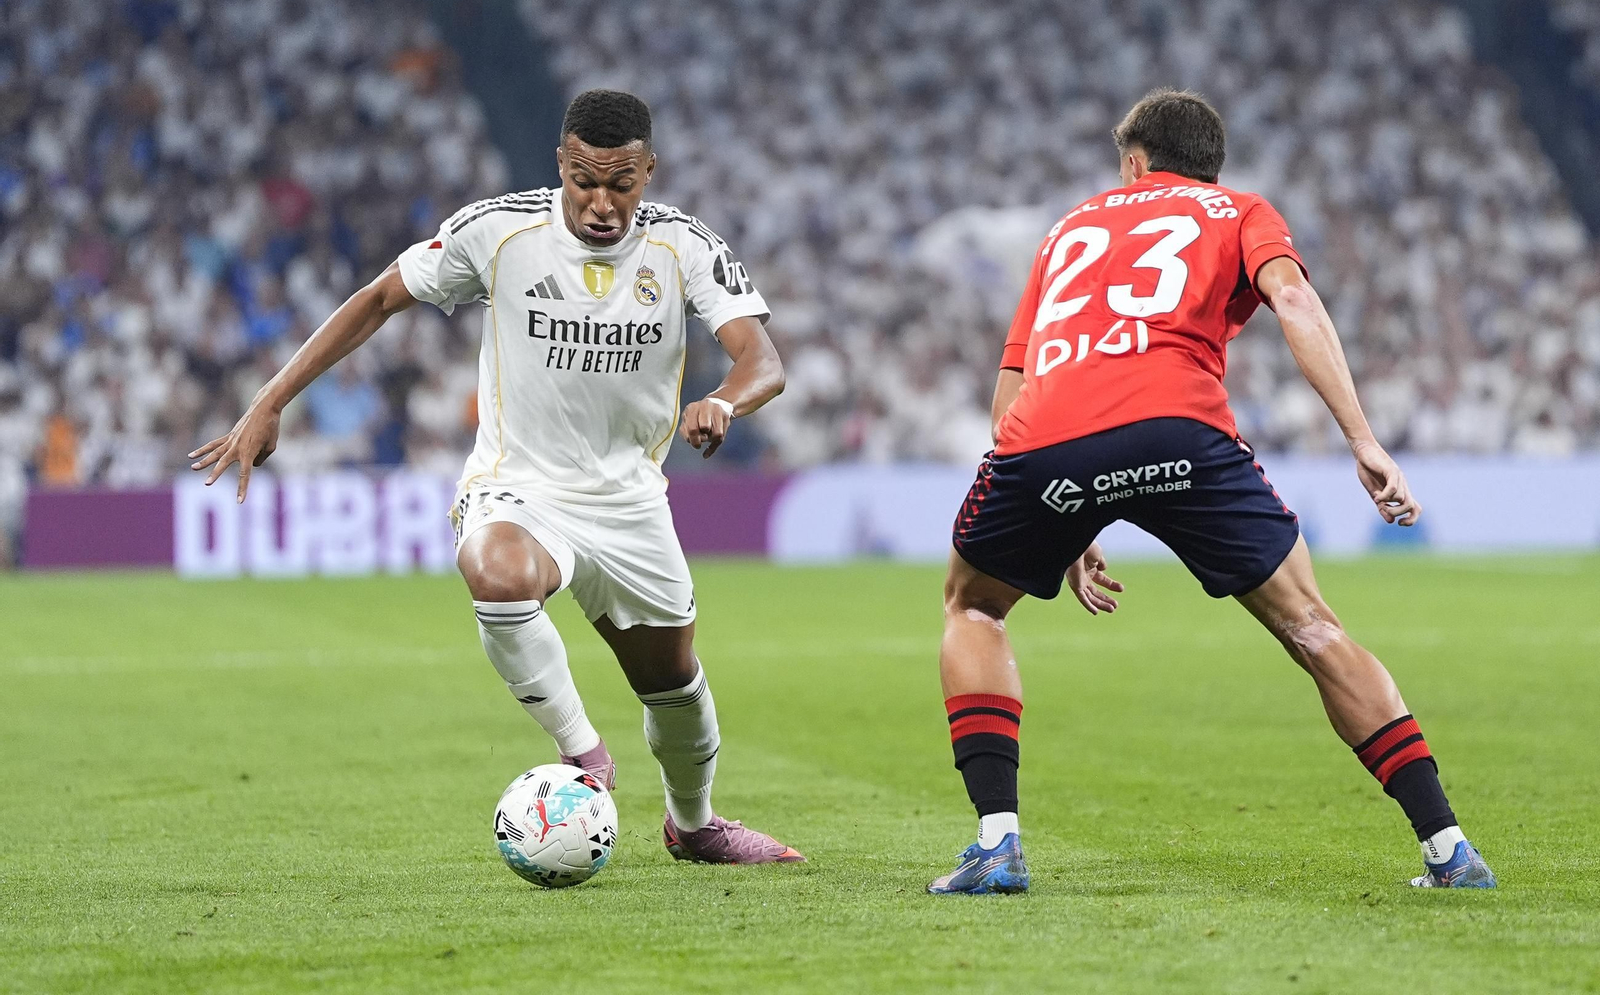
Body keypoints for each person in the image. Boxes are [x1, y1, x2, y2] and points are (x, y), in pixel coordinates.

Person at [192, 89, 804, 866]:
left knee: (674, 686)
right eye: (584, 179)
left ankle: (695, 825)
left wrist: (721, 399)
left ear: (650, 172)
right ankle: (583, 755)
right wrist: (271, 398)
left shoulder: (684, 246)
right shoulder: (500, 230)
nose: (601, 201)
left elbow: (764, 360)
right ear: (561, 163)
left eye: (621, 183)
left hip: (628, 502)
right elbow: (381, 297)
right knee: (496, 569)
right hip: (520, 485)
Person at [928, 89, 1493, 894]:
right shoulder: (1239, 210)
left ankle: (997, 842)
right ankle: (1448, 848)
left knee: (974, 607)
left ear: (1134, 163)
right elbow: (1293, 297)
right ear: (1210, 167)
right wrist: (1362, 440)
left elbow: (1010, 392)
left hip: (1048, 437)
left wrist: (1072, 521)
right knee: (1311, 626)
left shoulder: (1066, 230)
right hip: (1181, 431)